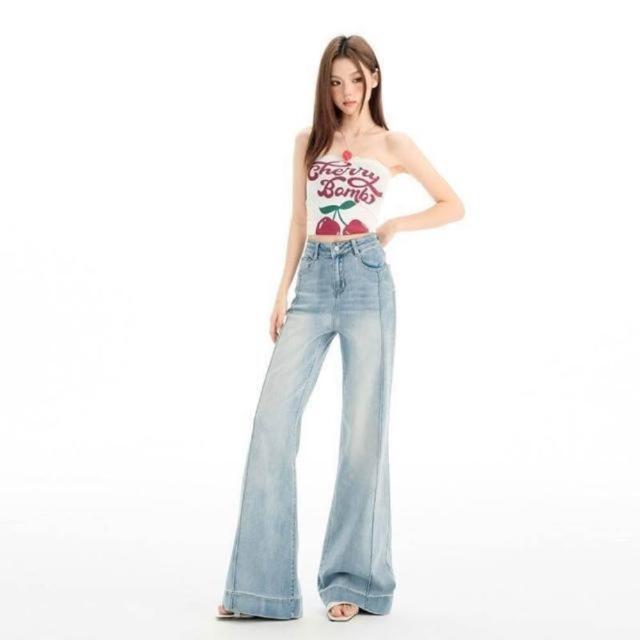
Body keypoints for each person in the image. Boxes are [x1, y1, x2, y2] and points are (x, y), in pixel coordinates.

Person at [216, 34, 464, 622]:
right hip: (311, 281)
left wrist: (396, 225)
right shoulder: (309, 142)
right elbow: (298, 219)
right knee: (272, 423)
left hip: (365, 279)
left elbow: (452, 204)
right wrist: (282, 291)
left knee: (362, 433)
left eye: (355, 79)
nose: (346, 92)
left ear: (374, 77)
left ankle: (354, 580)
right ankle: (261, 590)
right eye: (335, 82)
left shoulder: (394, 144)